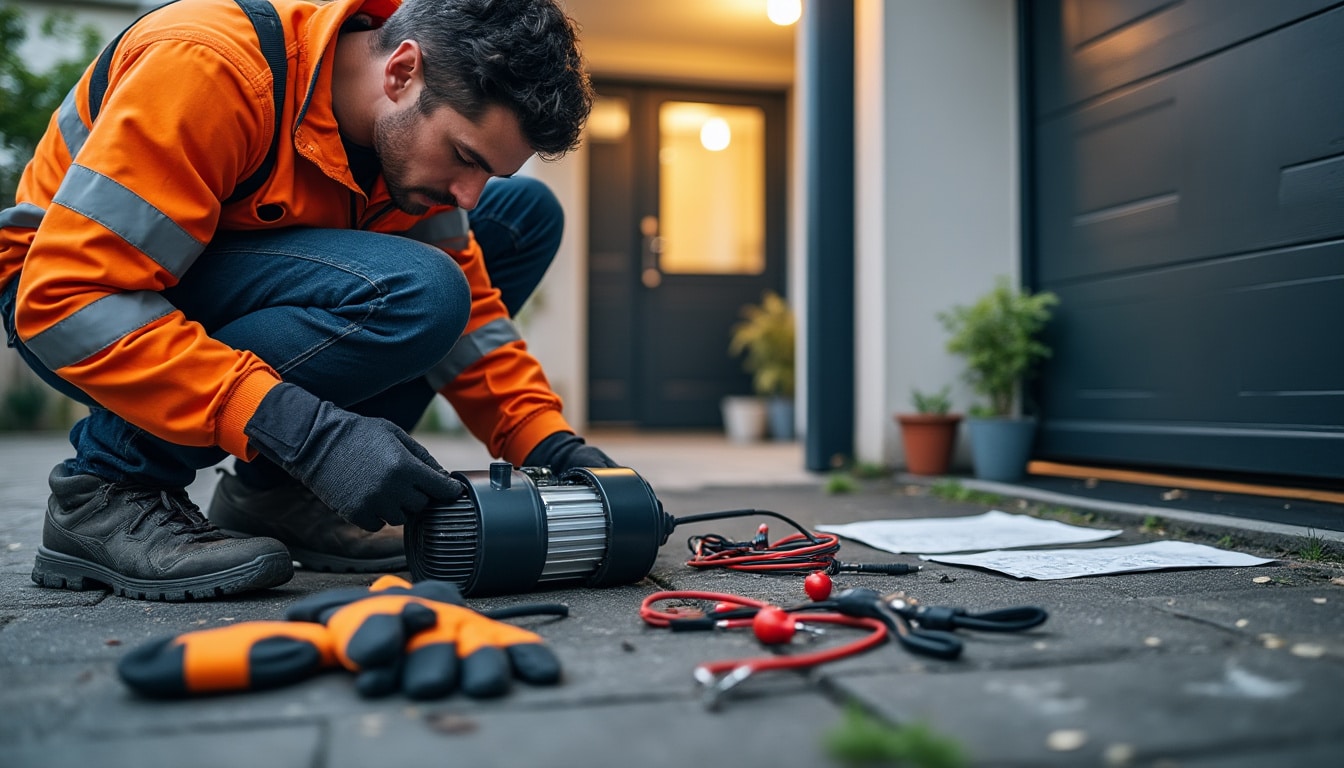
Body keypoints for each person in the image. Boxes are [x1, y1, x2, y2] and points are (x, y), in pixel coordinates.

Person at [0, 0, 619, 601]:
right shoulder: (210, 64)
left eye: (487, 172)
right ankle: (108, 490)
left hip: (210, 278)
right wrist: (309, 434)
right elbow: (66, 297)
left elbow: (472, 321)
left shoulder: (396, 151)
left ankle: (280, 496)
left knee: (521, 218)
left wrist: (553, 448)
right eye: (464, 157)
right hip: (70, 295)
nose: (468, 196)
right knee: (416, 291)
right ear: (402, 71)